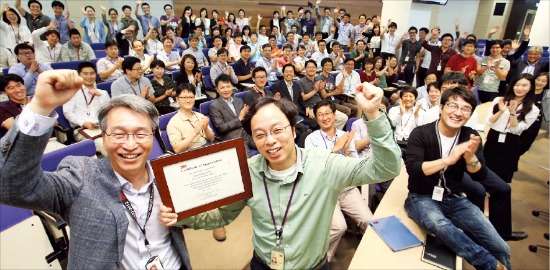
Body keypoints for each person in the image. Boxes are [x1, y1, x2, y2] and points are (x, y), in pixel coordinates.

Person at [159, 80, 401, 269]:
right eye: (260, 134)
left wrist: (373, 115)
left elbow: (387, 168)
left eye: (277, 129)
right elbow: (222, 216)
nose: (270, 141)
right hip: (263, 264)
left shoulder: (325, 165)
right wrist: (181, 214)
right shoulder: (249, 170)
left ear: (294, 131)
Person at [0, 69, 194, 269]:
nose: (130, 144)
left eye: (140, 134)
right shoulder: (79, 176)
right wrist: (40, 108)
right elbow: (9, 186)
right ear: (102, 137)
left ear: (152, 136)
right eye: (118, 134)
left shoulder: (167, 174)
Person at [405, 85, 511, 270]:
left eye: (465, 108)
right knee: (440, 225)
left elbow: (480, 174)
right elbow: (414, 169)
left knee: (501, 247)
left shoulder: (470, 136)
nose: (458, 112)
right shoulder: (420, 133)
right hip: (421, 197)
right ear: (441, 108)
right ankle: (491, 266)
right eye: (453, 106)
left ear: (470, 114)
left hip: (454, 198)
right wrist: (448, 160)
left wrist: (471, 159)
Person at [304, 100, 373, 262]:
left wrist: (348, 150)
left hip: (347, 189)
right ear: (316, 117)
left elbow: (355, 166)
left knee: (369, 221)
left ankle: (368, 255)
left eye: (327, 113)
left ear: (335, 115)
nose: (324, 118)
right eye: (320, 115)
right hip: (325, 190)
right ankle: (320, 260)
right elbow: (313, 168)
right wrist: (335, 149)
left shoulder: (345, 136)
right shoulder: (311, 139)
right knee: (338, 227)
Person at [484, 73, 539, 183]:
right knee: (485, 172)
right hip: (493, 138)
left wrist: (512, 113)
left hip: (511, 142)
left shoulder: (533, 109)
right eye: (517, 85)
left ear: (531, 87)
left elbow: (516, 130)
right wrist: (501, 111)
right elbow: (488, 122)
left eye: (524, 85)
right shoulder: (499, 100)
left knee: (501, 178)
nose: (519, 88)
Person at [62, 61, 110, 156]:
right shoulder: (72, 92)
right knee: (104, 144)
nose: (89, 76)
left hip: (102, 128)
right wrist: (84, 123)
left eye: (92, 73)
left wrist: (100, 97)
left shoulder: (102, 93)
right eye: (85, 74)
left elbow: (109, 111)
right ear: (79, 75)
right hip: (82, 129)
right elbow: (68, 112)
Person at [209, 74, 256, 154]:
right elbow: (221, 128)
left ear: (232, 87)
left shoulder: (239, 100)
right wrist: (239, 119)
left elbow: (245, 119)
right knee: (247, 160)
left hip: (247, 133)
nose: (226, 90)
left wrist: (247, 115)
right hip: (233, 138)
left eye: (228, 86)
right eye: (222, 88)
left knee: (266, 145)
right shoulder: (215, 106)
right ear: (217, 90)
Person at [300, 60, 348, 130]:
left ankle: (330, 135)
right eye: (309, 67)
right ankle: (327, 135)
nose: (311, 69)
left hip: (322, 105)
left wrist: (322, 89)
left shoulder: (318, 80)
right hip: (312, 108)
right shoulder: (300, 82)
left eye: (313, 67)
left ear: (316, 69)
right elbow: (303, 98)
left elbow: (323, 96)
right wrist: (315, 90)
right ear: (305, 69)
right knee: (325, 121)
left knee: (343, 118)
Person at [270, 64, 317, 129]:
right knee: (302, 128)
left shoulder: (296, 85)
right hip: (287, 115)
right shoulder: (276, 86)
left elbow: (301, 100)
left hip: (299, 113)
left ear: (294, 74)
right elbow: (274, 104)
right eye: (287, 72)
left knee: (316, 121)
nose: (289, 73)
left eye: (291, 72)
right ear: (283, 73)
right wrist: (275, 100)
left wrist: (307, 108)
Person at [388, 87, 423, 156]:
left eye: (411, 96)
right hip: (395, 142)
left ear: (415, 99)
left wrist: (416, 116)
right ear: (400, 98)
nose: (408, 99)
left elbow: (421, 130)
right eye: (405, 96)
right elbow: (390, 125)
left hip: (412, 143)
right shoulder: (393, 110)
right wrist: (400, 113)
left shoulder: (420, 111)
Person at [520, 72, 549, 155]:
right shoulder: (525, 90)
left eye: (543, 81)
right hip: (519, 121)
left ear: (547, 83)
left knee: (523, 146)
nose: (539, 83)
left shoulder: (547, 95)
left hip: (533, 125)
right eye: (538, 79)